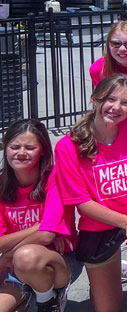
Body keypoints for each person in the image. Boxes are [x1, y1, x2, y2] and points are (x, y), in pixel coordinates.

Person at [55, 75, 127, 312]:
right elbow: (82, 203)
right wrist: (125, 222)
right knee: (107, 308)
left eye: (125, 103)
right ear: (95, 99)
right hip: (99, 224)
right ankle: (115, 264)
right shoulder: (69, 146)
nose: (116, 108)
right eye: (110, 99)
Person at [0, 120, 74, 312]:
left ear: (42, 150)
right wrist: (39, 226)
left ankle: (48, 302)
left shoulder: (54, 177)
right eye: (15, 146)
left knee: (26, 257)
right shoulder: (2, 184)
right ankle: (27, 297)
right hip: (15, 270)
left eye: (30, 147)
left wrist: (7, 254)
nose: (21, 152)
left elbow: (47, 236)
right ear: (5, 148)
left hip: (55, 262)